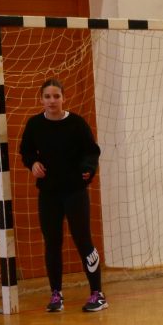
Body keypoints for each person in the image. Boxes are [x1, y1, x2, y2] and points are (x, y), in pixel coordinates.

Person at [19, 78, 107, 312]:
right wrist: (33, 163)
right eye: (47, 96)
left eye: (56, 96)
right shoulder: (34, 124)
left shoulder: (77, 123)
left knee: (83, 240)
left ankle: (97, 294)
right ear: (41, 99)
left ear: (63, 98)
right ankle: (56, 294)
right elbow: (26, 151)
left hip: (75, 192)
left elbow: (91, 151)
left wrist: (88, 168)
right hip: (49, 194)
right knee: (52, 242)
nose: (52, 101)